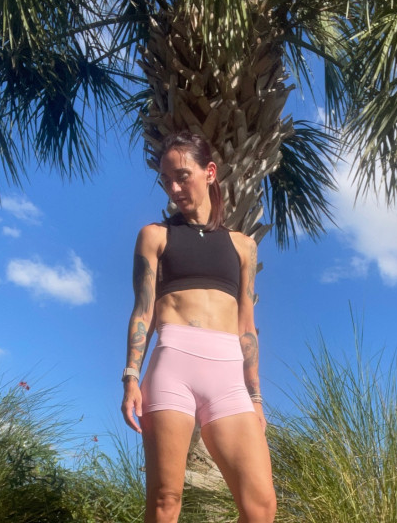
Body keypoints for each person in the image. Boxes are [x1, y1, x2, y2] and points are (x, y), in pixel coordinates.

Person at [121, 131, 276, 523]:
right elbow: (143, 312)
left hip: (228, 375)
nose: (174, 189)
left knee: (261, 507)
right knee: (165, 500)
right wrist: (131, 377)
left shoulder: (243, 246)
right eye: (166, 180)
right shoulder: (155, 236)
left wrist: (256, 397)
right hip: (173, 366)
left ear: (209, 172)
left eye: (182, 176)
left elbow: (247, 326)